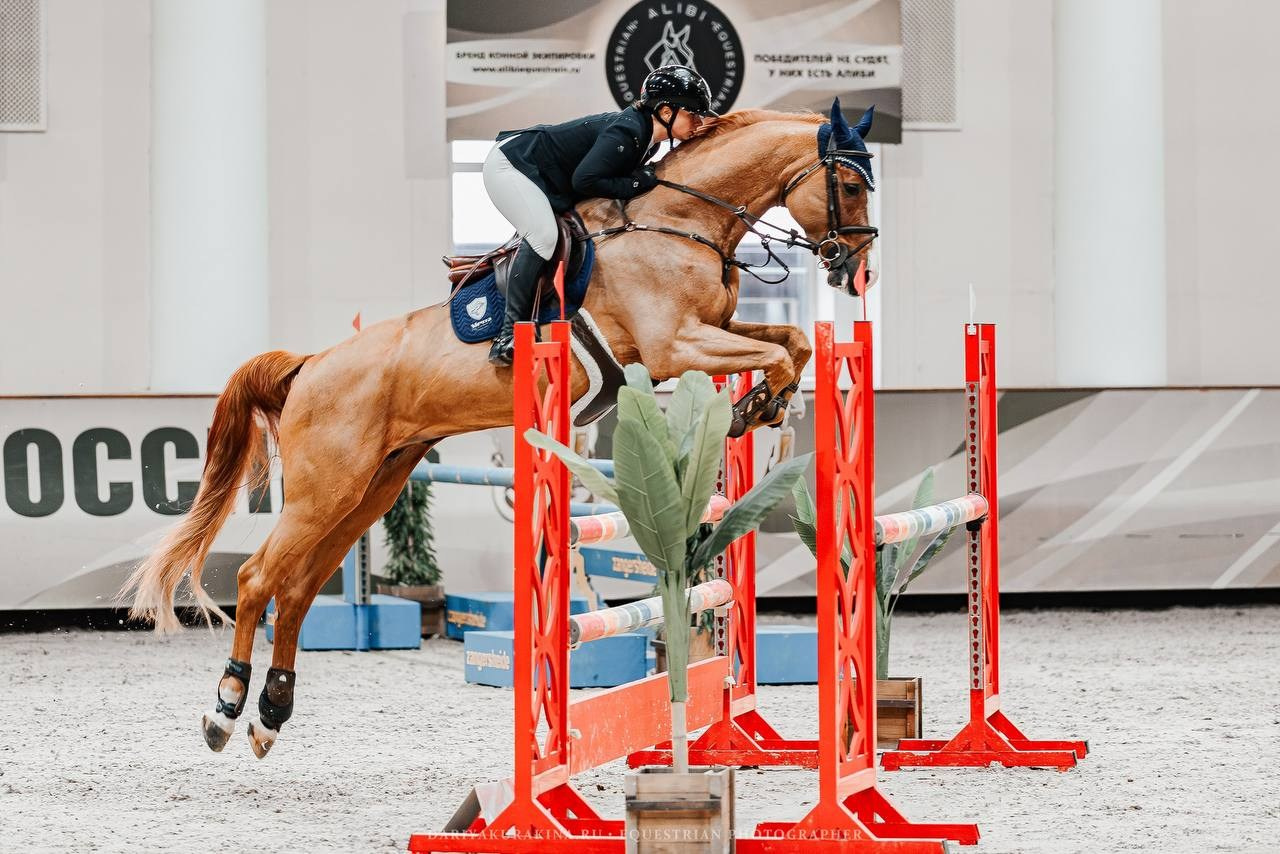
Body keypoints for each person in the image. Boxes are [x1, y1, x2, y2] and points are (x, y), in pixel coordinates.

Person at [481, 65, 717, 366]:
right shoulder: (629, 131)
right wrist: (641, 180)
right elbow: (585, 181)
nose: (698, 121)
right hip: (512, 165)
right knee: (543, 235)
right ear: (667, 112)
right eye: (693, 114)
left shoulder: (646, 139)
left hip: (543, 173)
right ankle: (508, 335)